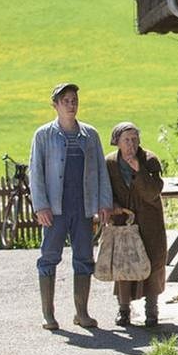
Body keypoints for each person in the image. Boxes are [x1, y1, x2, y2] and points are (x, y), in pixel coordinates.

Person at [29, 83, 113, 330]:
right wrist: (40, 206)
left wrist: (104, 203)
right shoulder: (43, 135)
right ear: (55, 105)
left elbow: (100, 171)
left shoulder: (90, 135)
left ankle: (82, 313)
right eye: (65, 100)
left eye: (74, 99)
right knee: (49, 257)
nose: (71, 104)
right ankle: (48, 314)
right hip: (54, 210)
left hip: (83, 207)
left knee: (84, 258)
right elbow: (36, 173)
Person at [105, 122, 167, 327]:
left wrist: (139, 171)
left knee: (153, 261)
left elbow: (152, 192)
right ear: (117, 142)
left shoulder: (149, 160)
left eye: (134, 139)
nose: (131, 144)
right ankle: (123, 311)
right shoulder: (110, 163)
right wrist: (112, 206)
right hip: (123, 221)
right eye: (126, 140)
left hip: (149, 220)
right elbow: (106, 191)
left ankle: (152, 311)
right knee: (124, 265)